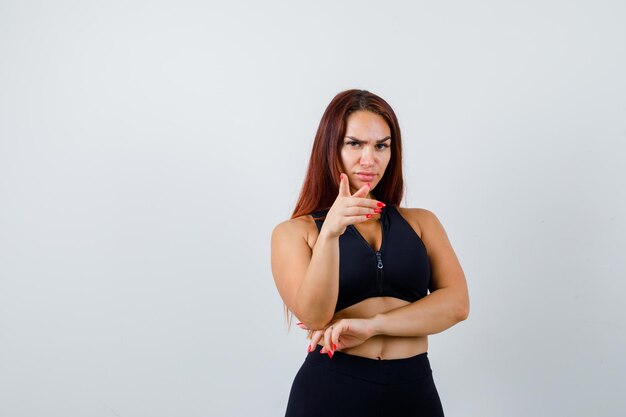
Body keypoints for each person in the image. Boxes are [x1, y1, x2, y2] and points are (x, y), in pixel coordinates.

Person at [271, 89, 469, 417]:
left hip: (413, 390)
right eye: (355, 144)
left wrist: (373, 325)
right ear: (330, 147)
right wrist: (331, 232)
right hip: (332, 388)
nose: (370, 159)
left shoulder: (421, 223)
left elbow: (457, 305)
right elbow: (316, 316)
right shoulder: (295, 232)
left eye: (381, 145)